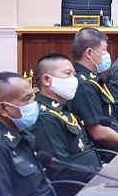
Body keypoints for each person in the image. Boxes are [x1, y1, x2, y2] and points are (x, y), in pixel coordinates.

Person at [0, 72, 60, 196]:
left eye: (33, 97)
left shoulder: (22, 135)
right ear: (3, 109)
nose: (34, 104)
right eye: (27, 99)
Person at [29, 54, 102, 185]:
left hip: (92, 179)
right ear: (47, 80)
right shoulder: (45, 117)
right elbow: (61, 169)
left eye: (74, 74)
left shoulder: (64, 108)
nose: (74, 79)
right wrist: (102, 172)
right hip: (75, 188)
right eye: (67, 73)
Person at [70, 27, 118, 157]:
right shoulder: (84, 85)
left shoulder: (95, 79)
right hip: (106, 155)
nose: (107, 54)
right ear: (90, 53)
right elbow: (99, 132)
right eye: (104, 49)